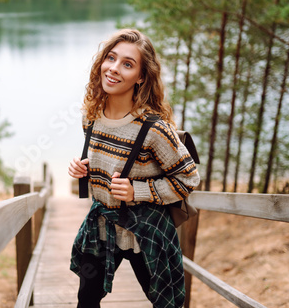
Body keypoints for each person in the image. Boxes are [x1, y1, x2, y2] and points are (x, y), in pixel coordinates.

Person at [68, 29, 201, 308]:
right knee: (86, 299)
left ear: (141, 76)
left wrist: (137, 190)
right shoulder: (91, 117)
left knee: (165, 302)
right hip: (103, 227)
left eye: (127, 64)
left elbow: (189, 178)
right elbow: (110, 159)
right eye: (111, 58)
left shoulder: (154, 129)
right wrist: (85, 169)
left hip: (147, 231)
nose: (114, 69)